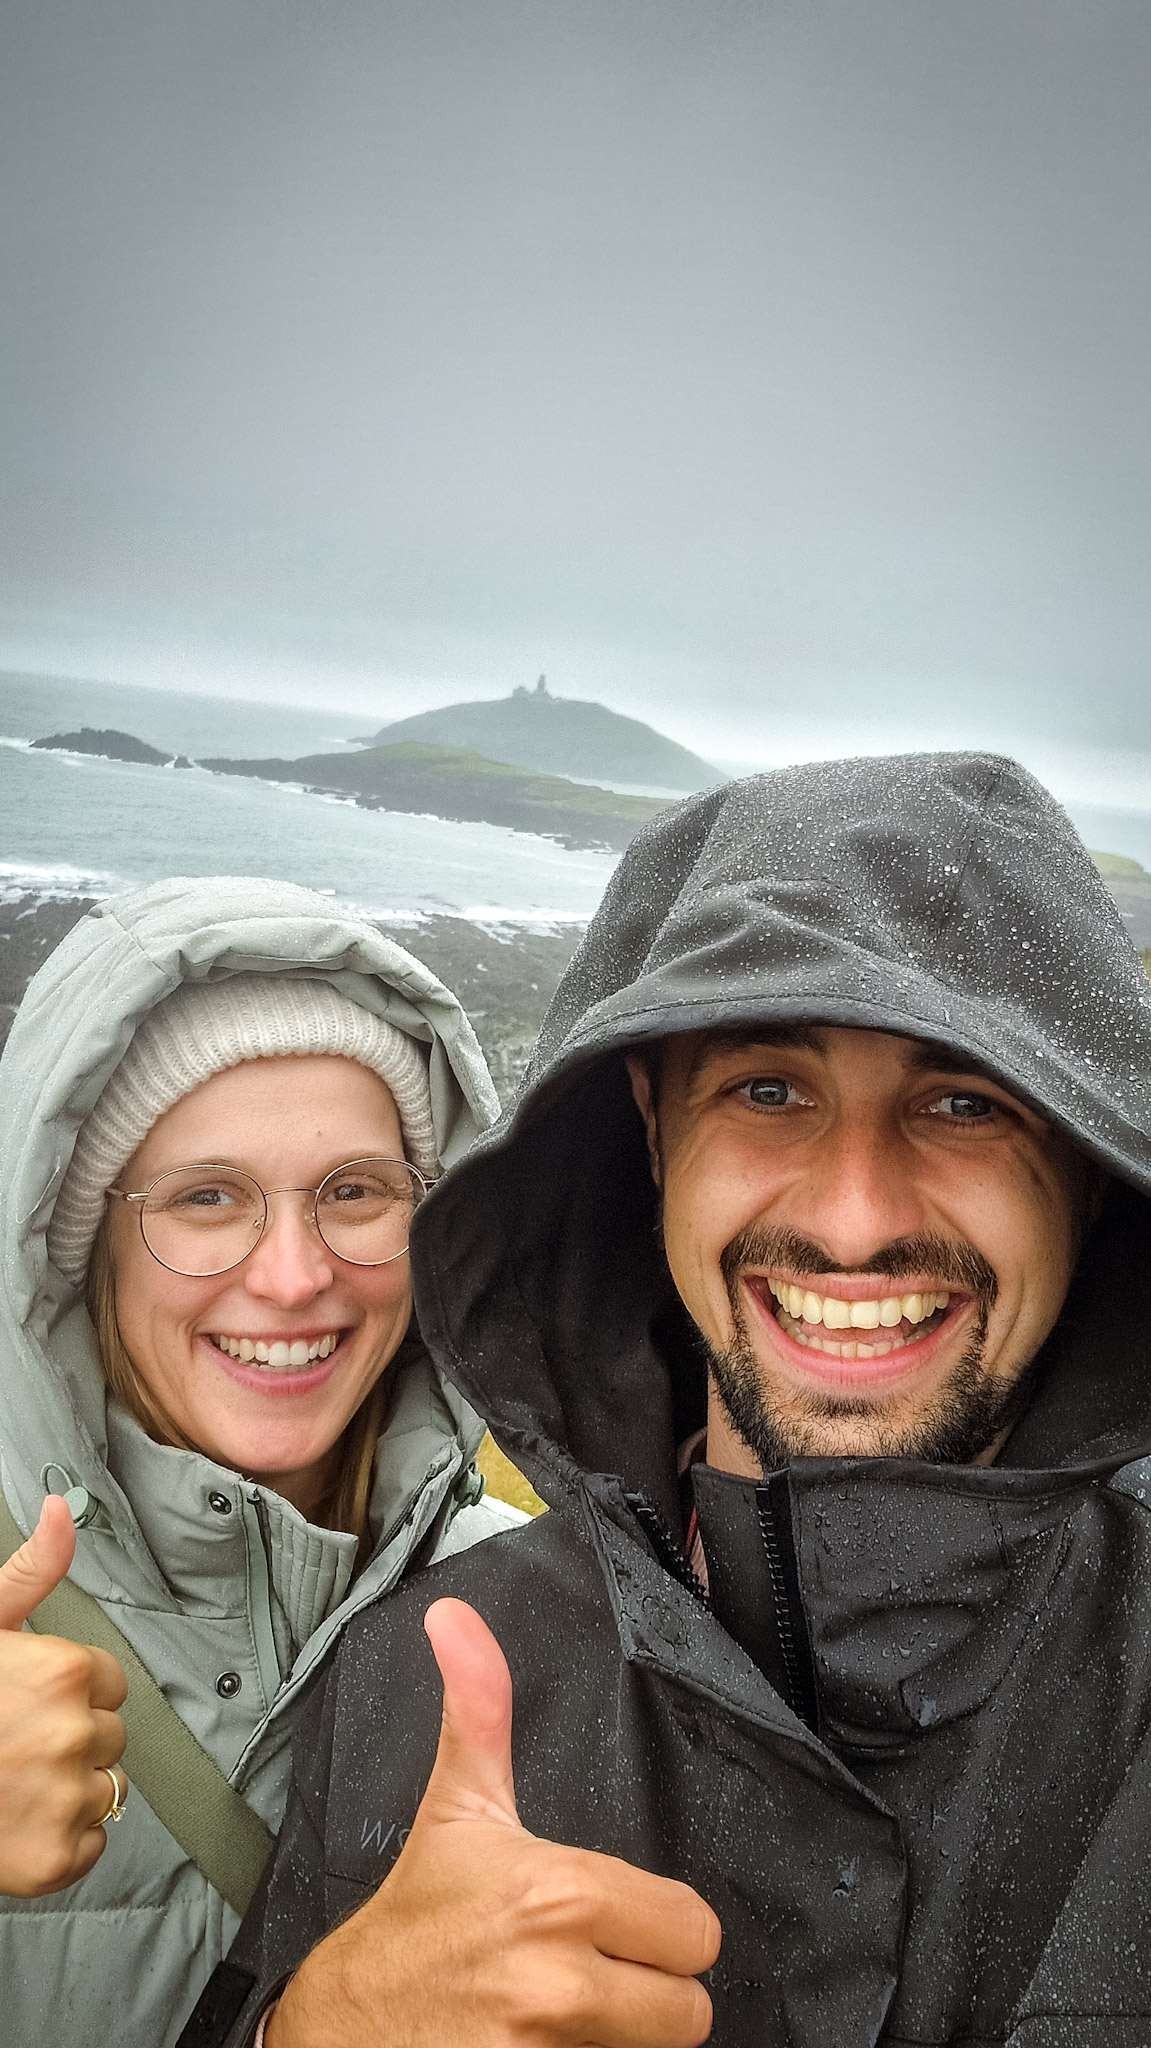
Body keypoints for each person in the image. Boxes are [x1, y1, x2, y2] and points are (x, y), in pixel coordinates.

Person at [191, 751, 1151, 2048]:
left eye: (961, 1101)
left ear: (1085, 1169)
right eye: (768, 1090)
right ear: (651, 1126)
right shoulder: (415, 1677)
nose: (853, 1218)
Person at [0, 874, 525, 2047]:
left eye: (354, 1190)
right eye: (205, 1197)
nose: (292, 1274)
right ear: (86, 1255)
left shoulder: (544, 1611)